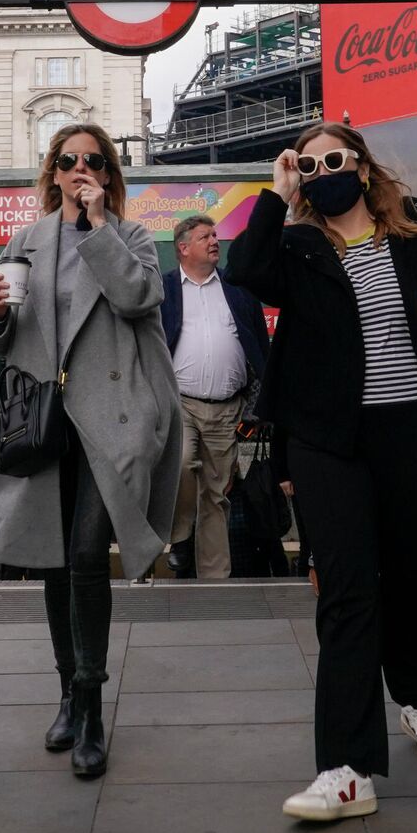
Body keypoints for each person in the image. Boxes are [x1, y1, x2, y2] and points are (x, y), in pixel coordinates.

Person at [230, 121, 417, 822]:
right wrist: (276, 189)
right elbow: (246, 270)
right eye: (310, 161)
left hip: (409, 431)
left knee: (409, 579)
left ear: (361, 166)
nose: (323, 169)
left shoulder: (413, 241)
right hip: (327, 441)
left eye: (334, 159)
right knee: (348, 590)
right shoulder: (296, 246)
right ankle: (346, 769)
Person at [0, 121, 181, 779]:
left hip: (112, 420)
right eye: (68, 160)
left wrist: (97, 229)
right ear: (52, 171)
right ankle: (68, 690)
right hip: (45, 422)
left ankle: (91, 707)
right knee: (54, 558)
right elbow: (0, 339)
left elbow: (137, 297)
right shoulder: (26, 241)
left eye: (94, 161)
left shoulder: (131, 238)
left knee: (90, 553)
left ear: (109, 174)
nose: (80, 169)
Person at [160, 213, 270, 579]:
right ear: (183, 247)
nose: (214, 241)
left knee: (216, 494)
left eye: (215, 235)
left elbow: (258, 343)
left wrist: (261, 400)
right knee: (182, 464)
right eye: (206, 236)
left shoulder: (238, 288)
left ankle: (214, 582)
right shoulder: (164, 290)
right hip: (181, 403)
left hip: (227, 408)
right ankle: (180, 535)